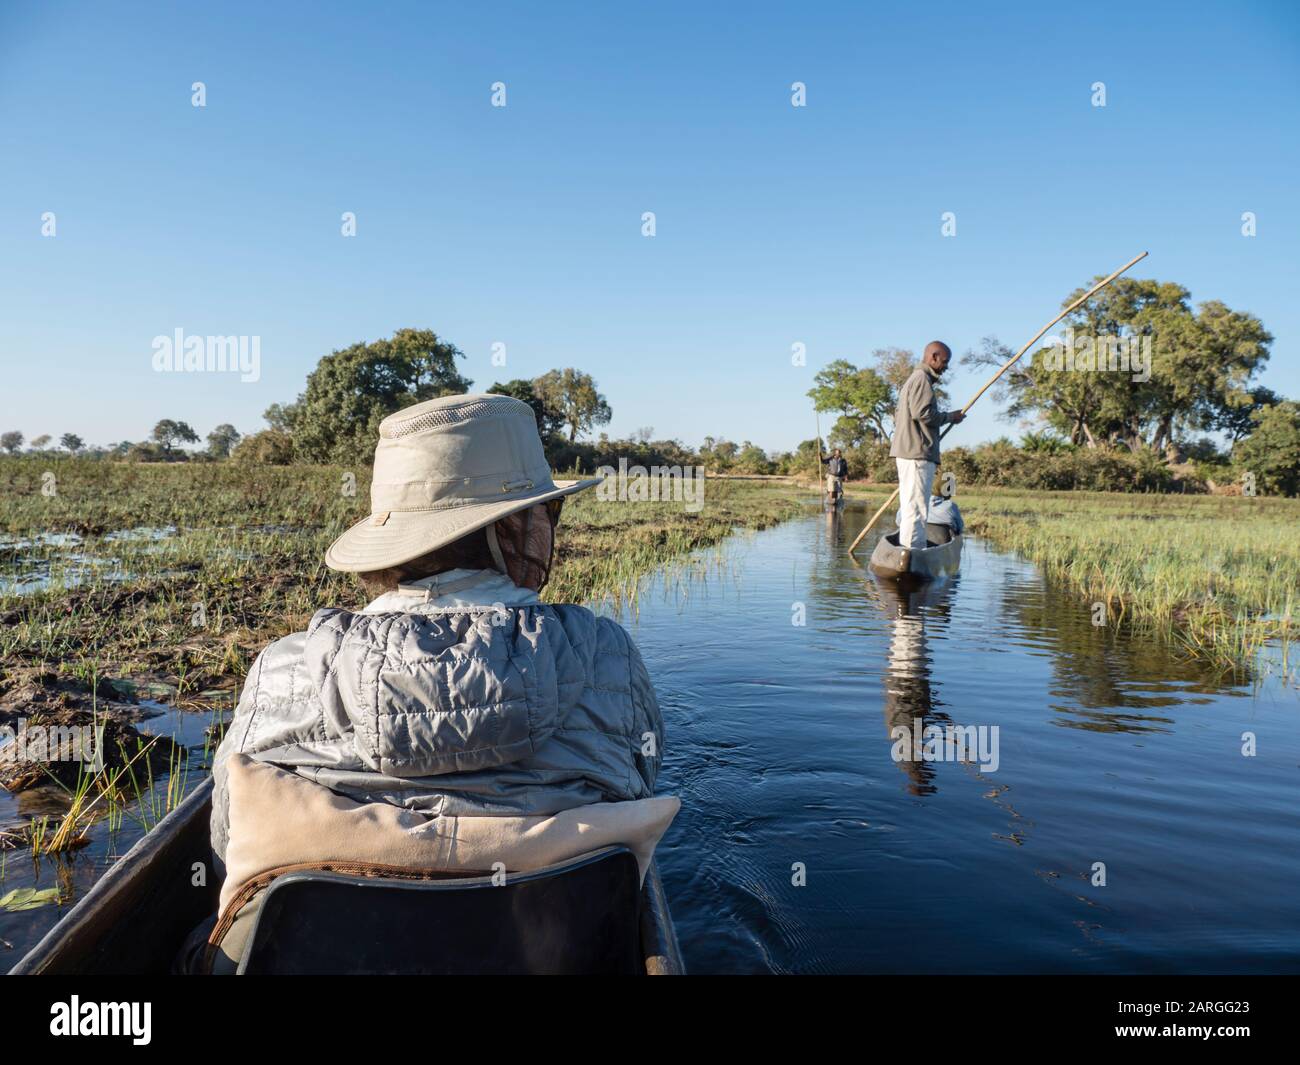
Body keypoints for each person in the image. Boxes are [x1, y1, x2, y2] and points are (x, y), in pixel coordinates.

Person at [209, 393, 666, 877]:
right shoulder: (609, 655)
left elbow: (224, 838)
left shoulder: (283, 667)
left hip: (314, 947)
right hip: (556, 945)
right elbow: (640, 782)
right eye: (549, 514)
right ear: (515, 526)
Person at [889, 342, 965, 550]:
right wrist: (950, 417)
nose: (946, 367)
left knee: (911, 507)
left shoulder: (915, 380)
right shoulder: (921, 379)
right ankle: (913, 553)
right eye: (944, 362)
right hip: (917, 454)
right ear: (933, 357)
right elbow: (922, 413)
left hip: (909, 452)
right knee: (917, 509)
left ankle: (909, 549)